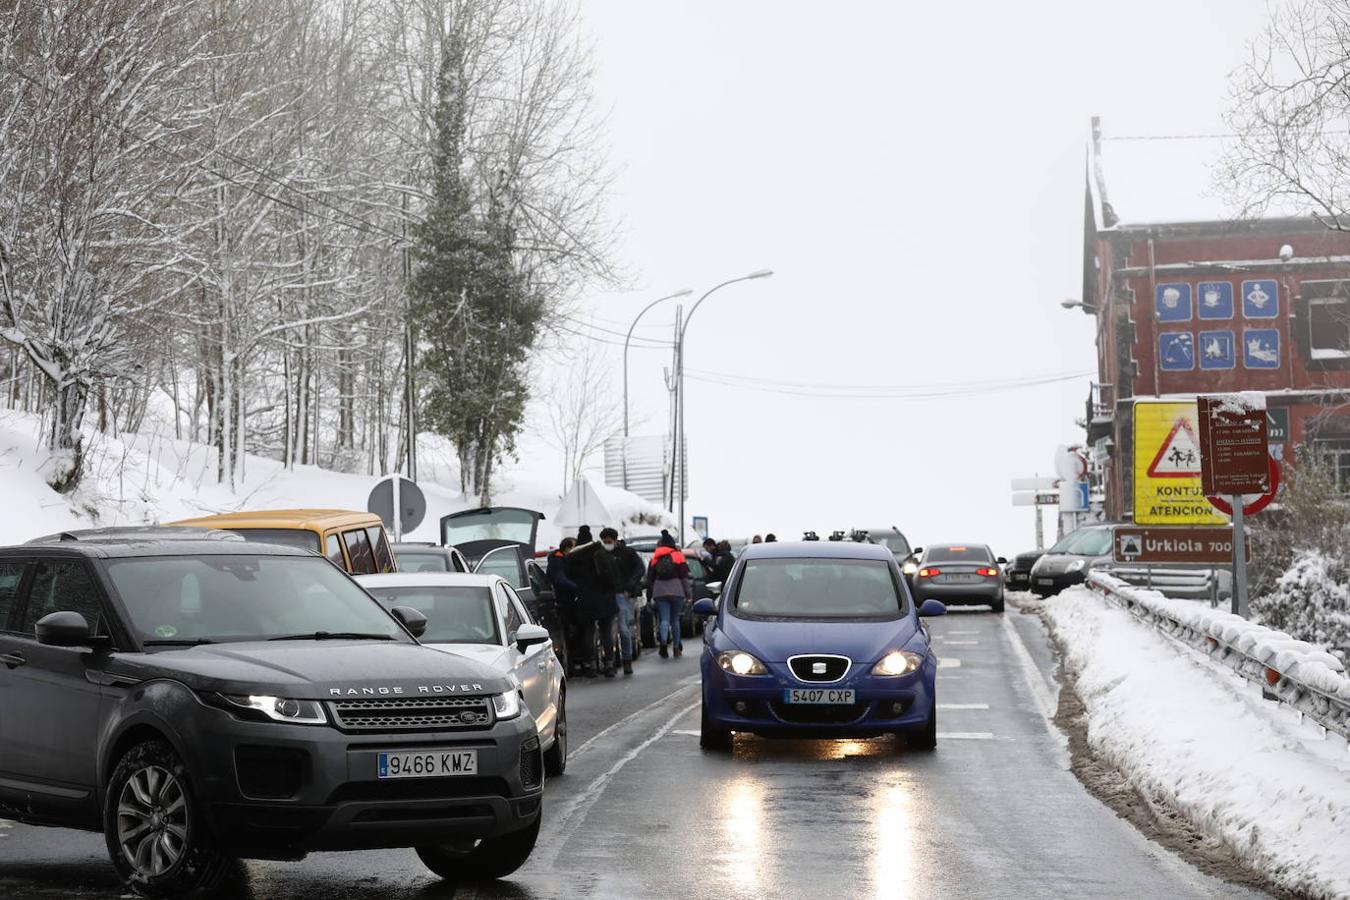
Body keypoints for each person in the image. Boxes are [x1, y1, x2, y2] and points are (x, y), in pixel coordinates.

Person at [565, 525, 622, 678]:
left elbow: (569, 576)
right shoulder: (601, 552)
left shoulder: (573, 557)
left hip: (585, 600)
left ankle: (591, 666)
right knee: (606, 632)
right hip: (605, 598)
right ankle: (609, 664)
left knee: (588, 633)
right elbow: (612, 574)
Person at [646, 530, 692, 658]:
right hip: (677, 591)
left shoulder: (655, 557)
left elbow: (650, 579)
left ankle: (664, 644)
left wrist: (649, 597)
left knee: (664, 620)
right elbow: (684, 577)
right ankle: (676, 648)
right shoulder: (678, 555)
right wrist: (688, 594)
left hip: (660, 591)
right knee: (675, 620)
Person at [610, 532, 644, 675]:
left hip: (624, 595)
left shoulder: (628, 553)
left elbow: (640, 569)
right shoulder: (603, 555)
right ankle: (614, 660)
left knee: (624, 629)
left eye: (609, 540)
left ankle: (627, 659)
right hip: (609, 596)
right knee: (611, 631)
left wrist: (629, 587)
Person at [546, 537, 579, 673]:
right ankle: (570, 666)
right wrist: (577, 588)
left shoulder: (561, 560)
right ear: (567, 548)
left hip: (566, 602)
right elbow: (560, 580)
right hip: (563, 604)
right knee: (567, 635)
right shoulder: (557, 562)